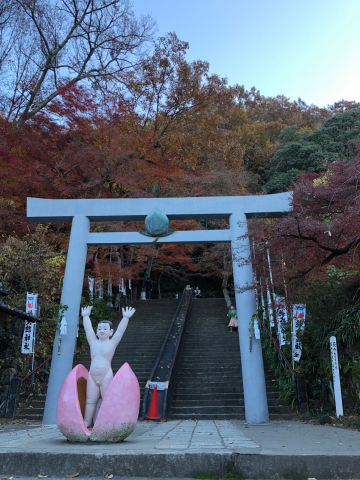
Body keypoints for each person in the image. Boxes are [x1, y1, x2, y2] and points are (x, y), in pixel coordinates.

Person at [80, 305, 135, 427]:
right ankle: (87, 421)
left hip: (106, 374)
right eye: (99, 328)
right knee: (90, 400)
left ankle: (108, 421)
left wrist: (125, 318)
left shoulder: (112, 343)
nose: (101, 331)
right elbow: (88, 330)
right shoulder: (93, 342)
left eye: (105, 328)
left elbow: (120, 331)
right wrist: (85, 316)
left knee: (107, 399)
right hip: (92, 375)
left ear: (111, 332)